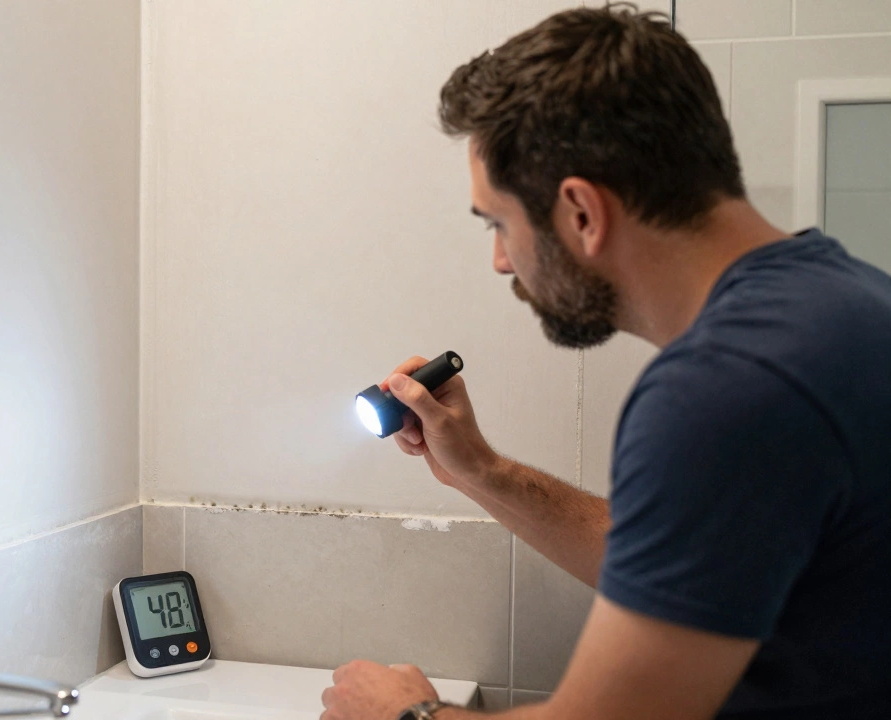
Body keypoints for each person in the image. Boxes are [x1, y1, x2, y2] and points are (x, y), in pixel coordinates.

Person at [320, 4, 891, 720]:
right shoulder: (838, 305)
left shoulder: (727, 385)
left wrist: (407, 716)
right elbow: (685, 559)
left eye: (499, 223)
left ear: (582, 213)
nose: (501, 260)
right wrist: (482, 472)